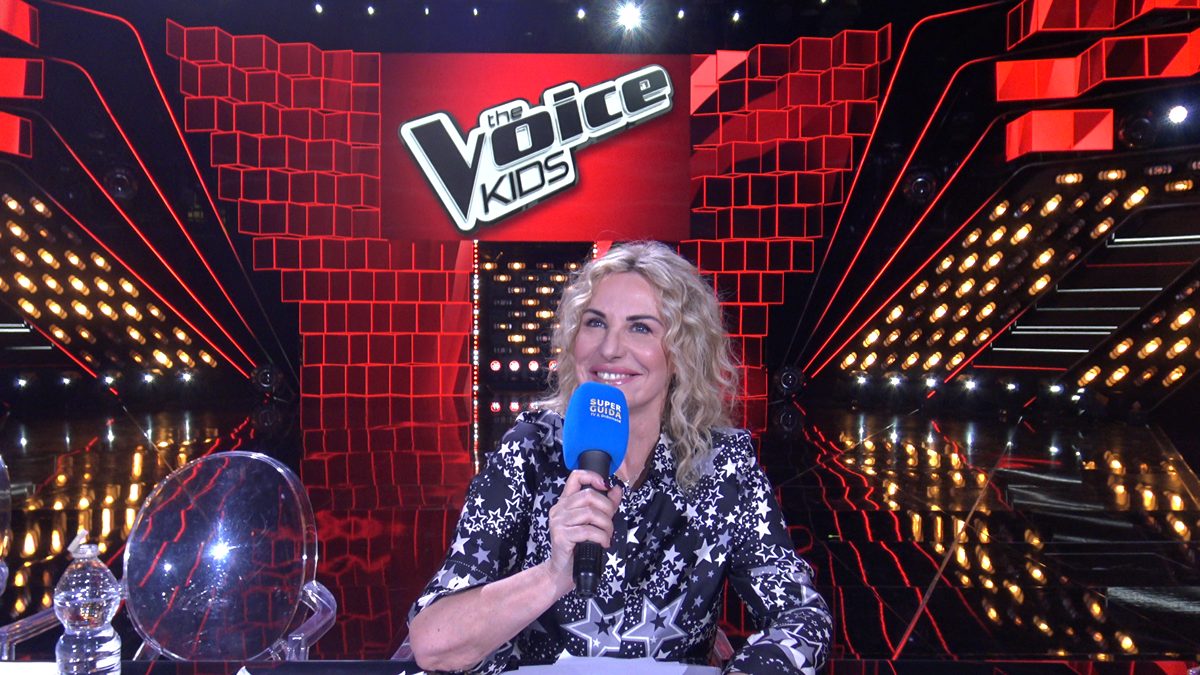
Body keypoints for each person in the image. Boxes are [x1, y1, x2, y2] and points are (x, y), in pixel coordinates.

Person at [406, 241, 831, 674]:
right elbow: (433, 644)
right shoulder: (530, 450)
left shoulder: (723, 464)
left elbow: (803, 617)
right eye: (595, 323)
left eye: (640, 328)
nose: (610, 349)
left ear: (682, 351)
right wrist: (552, 575)